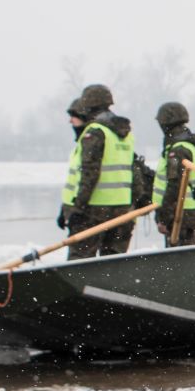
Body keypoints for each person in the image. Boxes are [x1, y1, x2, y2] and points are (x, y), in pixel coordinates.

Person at [59, 83, 137, 259]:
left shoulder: (95, 132)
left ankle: (79, 288)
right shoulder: (125, 134)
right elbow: (134, 171)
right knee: (113, 264)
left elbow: (89, 174)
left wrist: (77, 209)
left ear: (87, 104)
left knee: (79, 263)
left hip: (94, 211)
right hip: (122, 210)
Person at [152, 101, 195, 246]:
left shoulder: (178, 150)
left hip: (179, 213)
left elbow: (174, 187)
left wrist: (164, 217)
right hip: (187, 211)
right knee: (185, 253)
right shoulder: (188, 144)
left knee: (179, 257)